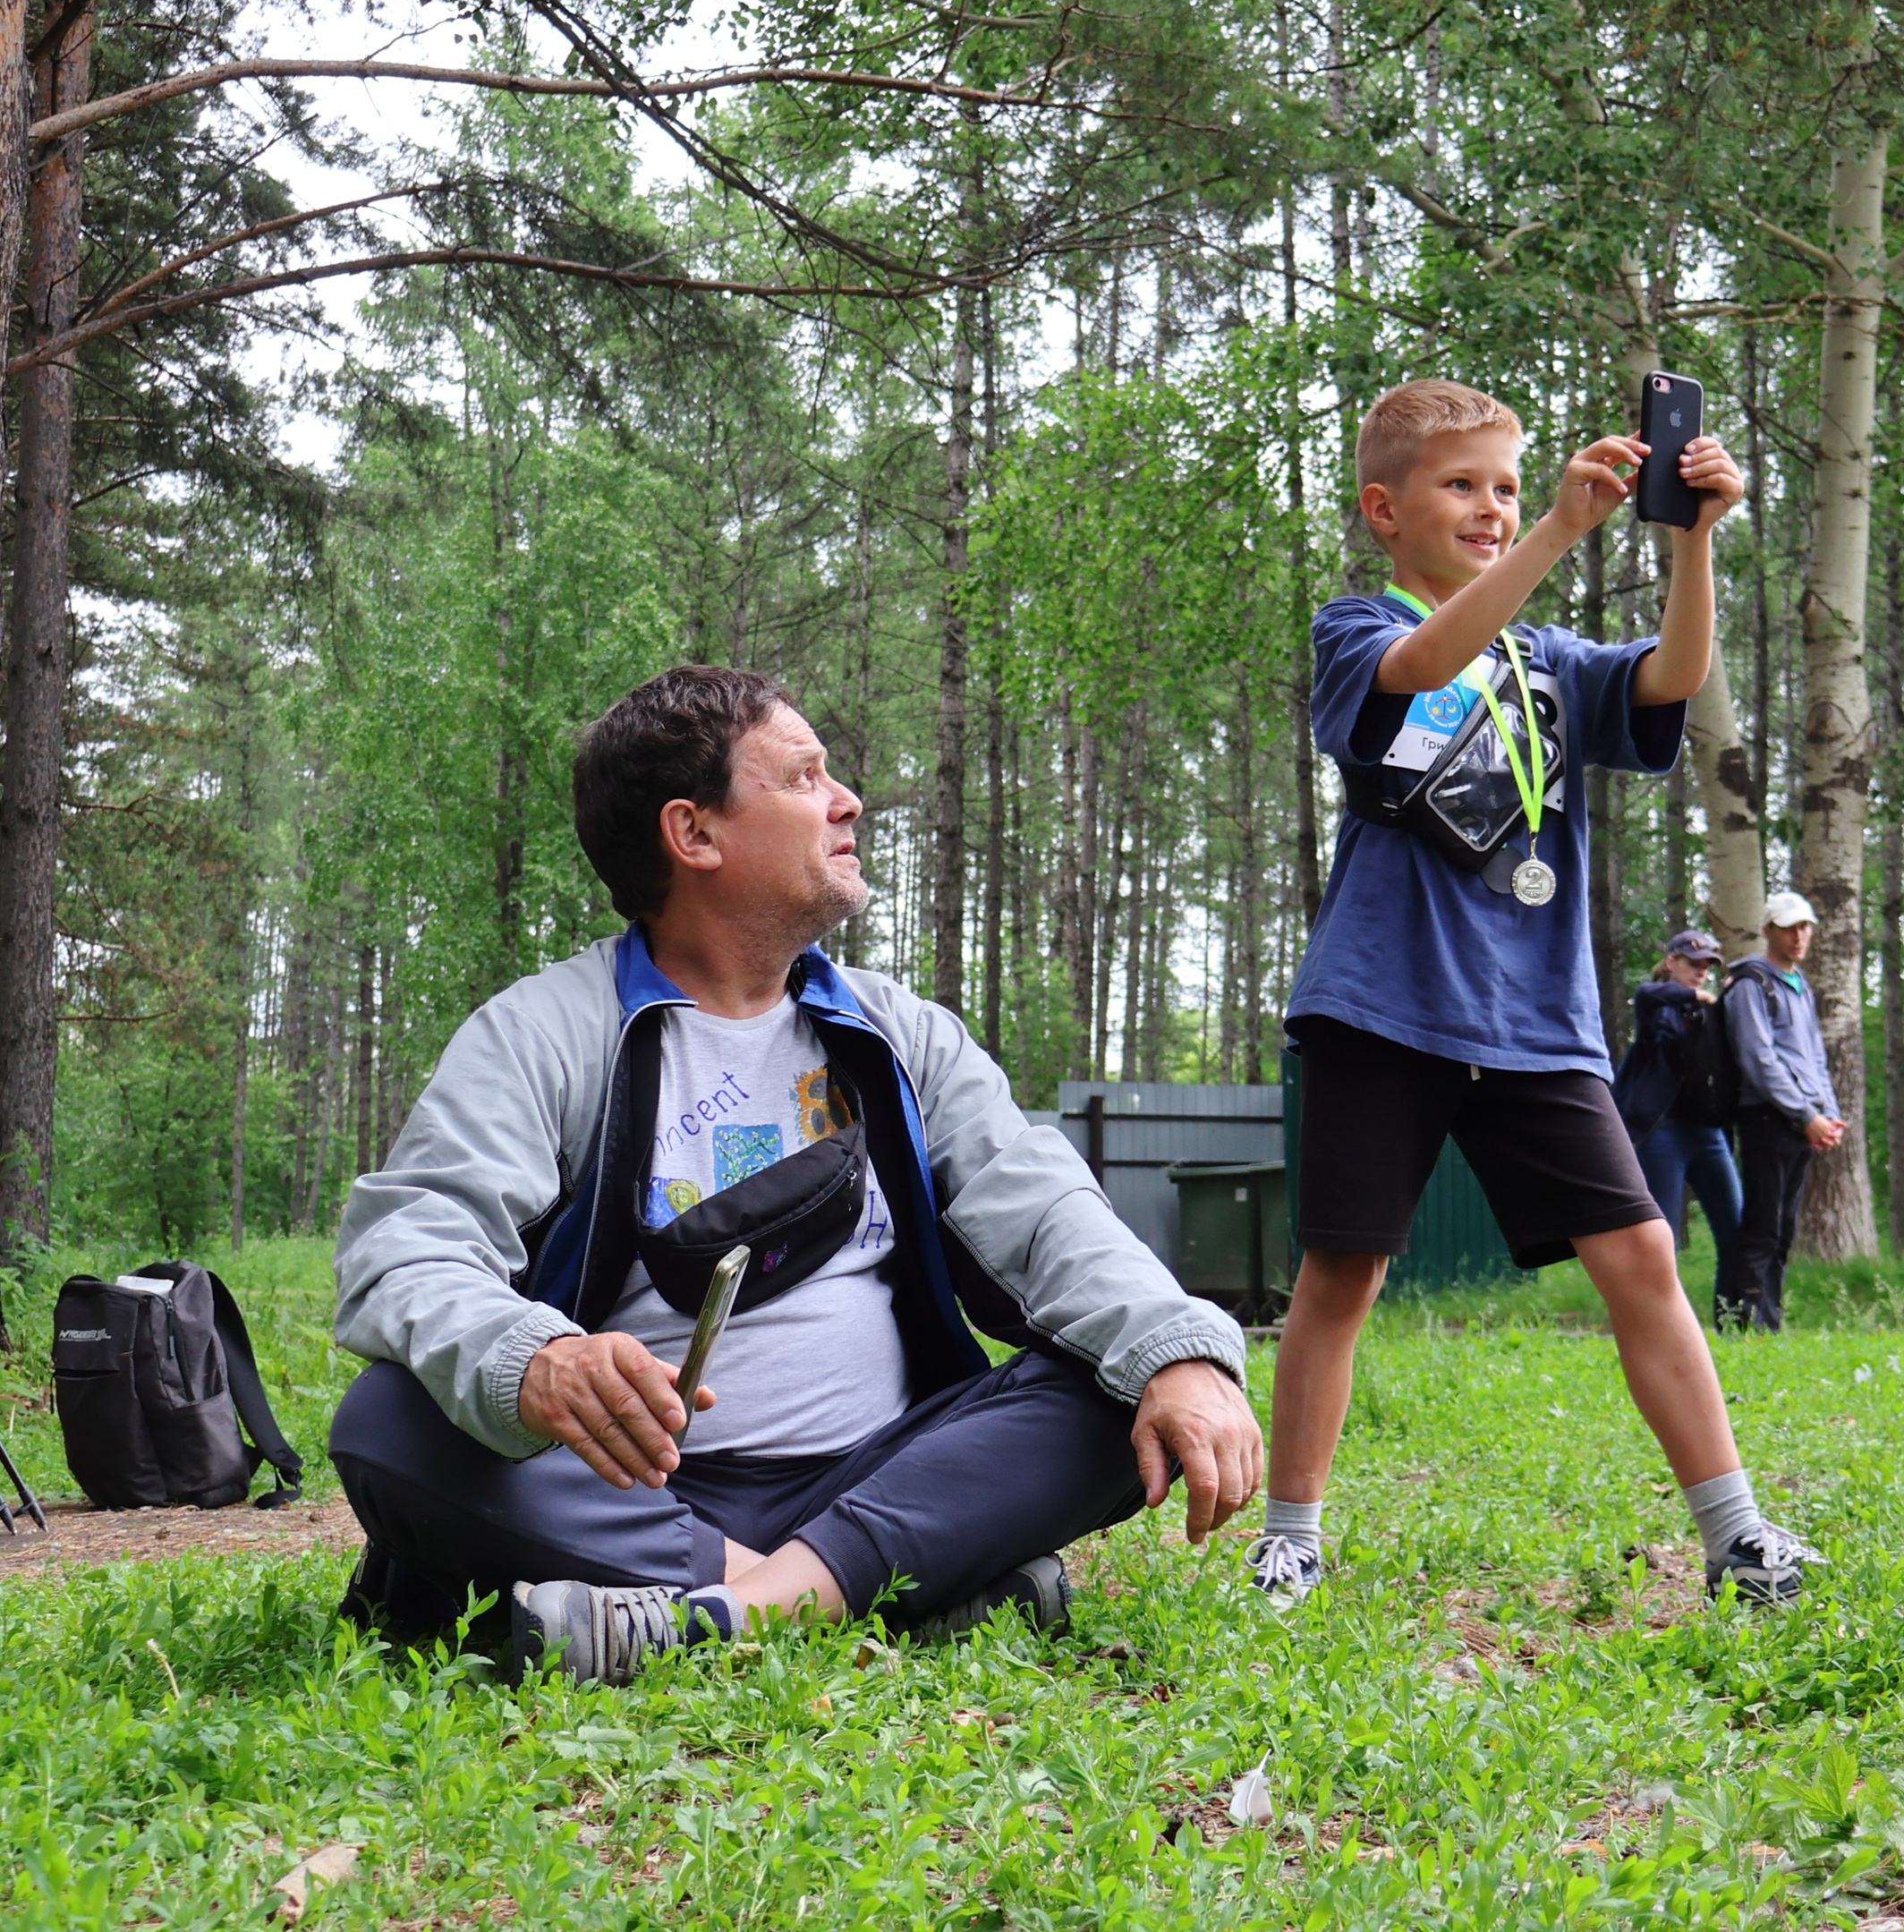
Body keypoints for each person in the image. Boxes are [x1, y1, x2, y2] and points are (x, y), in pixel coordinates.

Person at [329, 665, 1262, 1685]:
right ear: (695, 834)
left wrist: (1178, 1354)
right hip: (639, 1492)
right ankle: (880, 1597)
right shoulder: (541, 1033)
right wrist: (533, 1356)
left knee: (1106, 1374)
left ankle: (722, 1619)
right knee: (389, 1421)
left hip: (887, 1473)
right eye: (805, 775)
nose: (847, 798)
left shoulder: (897, 1030)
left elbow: (1045, 1207)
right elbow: (407, 1249)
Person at [1252, 377, 1820, 1611]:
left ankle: (1736, 1533)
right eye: (1463, 485)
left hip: (1537, 1023)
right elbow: (1420, 660)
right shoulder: (1355, 629)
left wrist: (1691, 541)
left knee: (1644, 1255)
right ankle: (1290, 1536)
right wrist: (1563, 531)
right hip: (1380, 1007)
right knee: (1340, 1276)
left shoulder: (1551, 659)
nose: (1494, 507)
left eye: (1507, 487)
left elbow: (1672, 675)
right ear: (1382, 508)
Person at [1721, 893, 1844, 1332]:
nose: (1799, 936)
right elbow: (1759, 1060)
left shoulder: (1800, 984)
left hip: (1800, 1123)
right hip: (1766, 1120)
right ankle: (1744, 1323)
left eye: (1805, 927)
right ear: (1768, 929)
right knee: (1762, 1225)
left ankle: (1767, 1322)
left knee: (1784, 1228)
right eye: (1790, 927)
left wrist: (1826, 1114)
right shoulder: (1752, 984)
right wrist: (1804, 1113)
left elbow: (1814, 1057)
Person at [1619, 931, 1743, 1322]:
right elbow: (1646, 994)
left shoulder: (1710, 1010)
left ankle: (1733, 1323)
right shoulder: (1656, 1003)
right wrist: (1694, 997)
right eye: (1694, 965)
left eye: (1707, 968)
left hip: (1709, 1134)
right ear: (1671, 962)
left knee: (1737, 1231)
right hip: (1663, 1133)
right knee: (1662, 1242)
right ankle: (1660, 1327)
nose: (1700, 974)